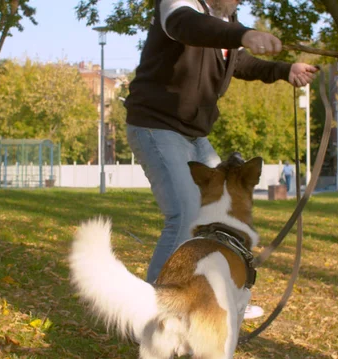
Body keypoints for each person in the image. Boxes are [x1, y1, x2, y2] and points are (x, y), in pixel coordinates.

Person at [123, 0, 318, 319]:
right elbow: (188, 25)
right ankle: (153, 313)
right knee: (185, 215)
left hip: (194, 133)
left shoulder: (227, 22)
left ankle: (225, 300)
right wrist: (243, 34)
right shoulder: (180, 5)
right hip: (156, 126)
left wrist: (286, 70)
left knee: (223, 214)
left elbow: (243, 64)